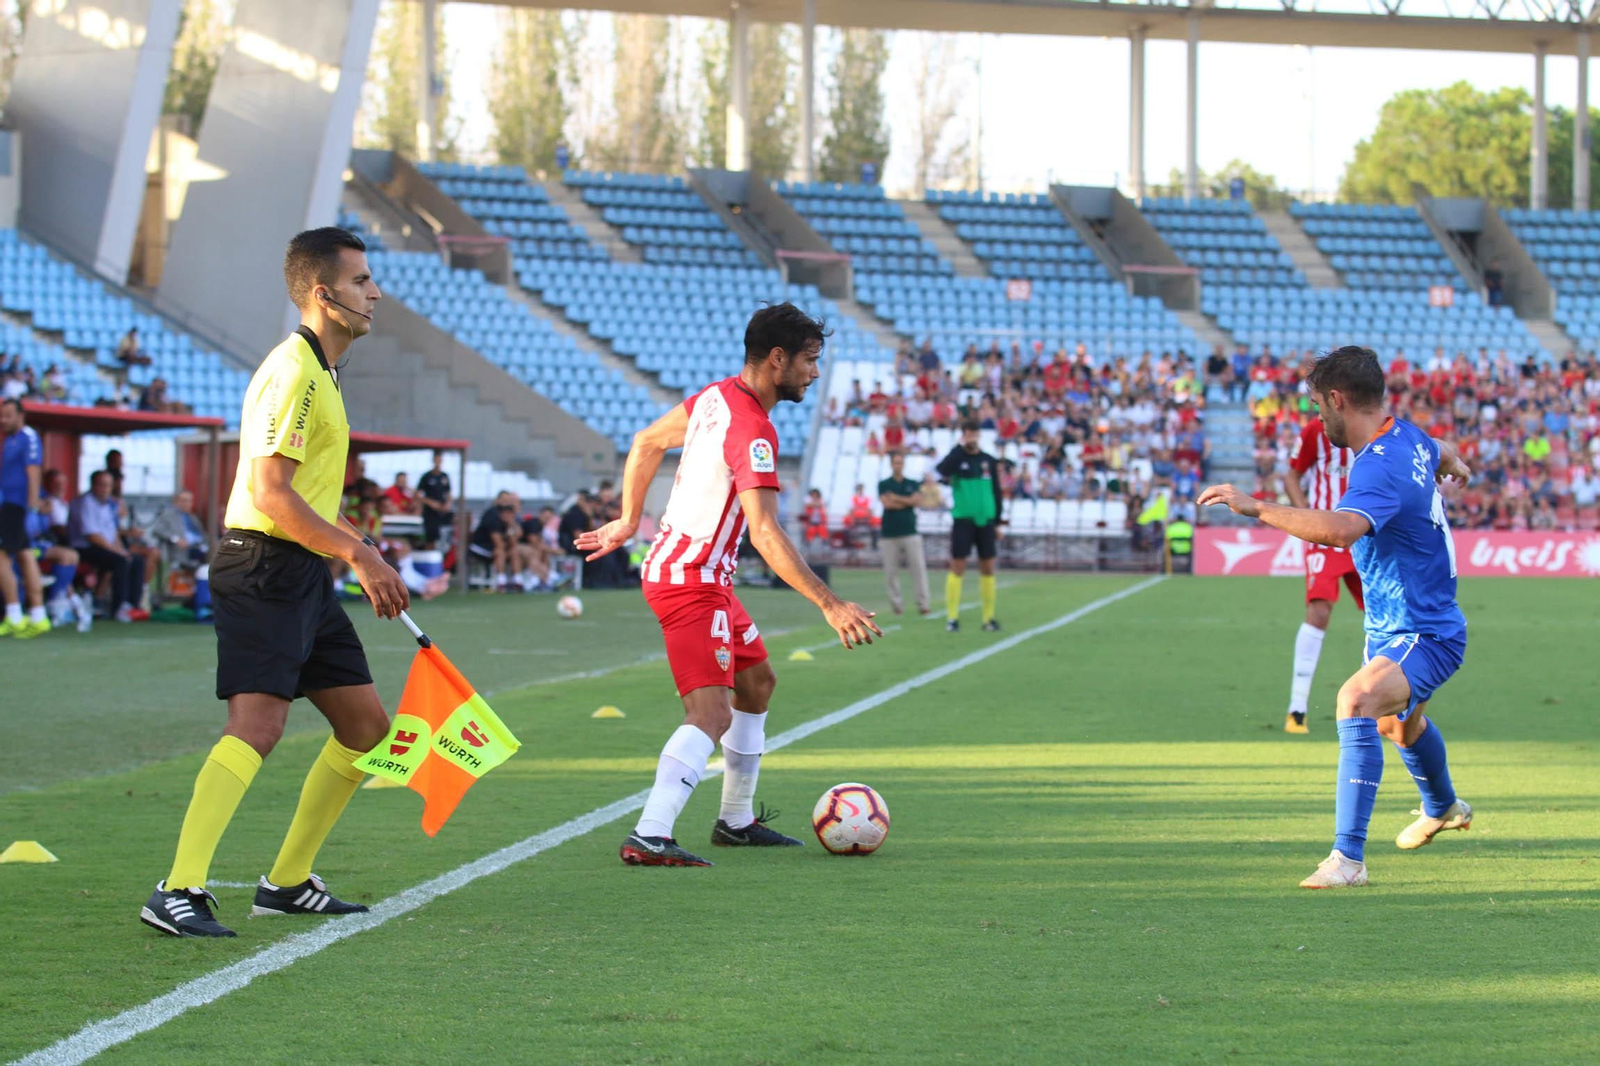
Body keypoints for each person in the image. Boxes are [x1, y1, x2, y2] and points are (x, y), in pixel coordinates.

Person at [138, 226, 409, 938]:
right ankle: (178, 888)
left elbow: (309, 496)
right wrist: (359, 557)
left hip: (302, 571)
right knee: (257, 727)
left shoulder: (324, 372)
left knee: (366, 729)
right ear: (322, 294)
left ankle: (287, 883)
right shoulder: (293, 372)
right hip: (261, 565)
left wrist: (359, 545)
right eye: (360, 281)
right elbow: (271, 494)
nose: (375, 293)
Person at [577, 303, 881, 868]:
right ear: (777, 359)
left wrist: (628, 519)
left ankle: (735, 821)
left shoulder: (714, 398)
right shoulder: (753, 430)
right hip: (690, 581)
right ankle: (650, 833)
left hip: (702, 577)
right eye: (809, 360)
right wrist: (830, 603)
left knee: (757, 683)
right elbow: (763, 531)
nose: (815, 372)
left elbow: (645, 441)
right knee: (711, 714)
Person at [1200, 346, 1473, 890]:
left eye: (1316, 406)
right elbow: (1438, 448)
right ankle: (1443, 807)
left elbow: (1343, 530)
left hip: (1426, 630)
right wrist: (1455, 462)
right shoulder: (1406, 436)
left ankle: (1348, 859)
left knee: (1357, 700)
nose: (1317, 418)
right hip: (1393, 626)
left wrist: (1257, 507)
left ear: (1336, 399)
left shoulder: (1379, 462)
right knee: (1399, 726)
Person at [1280, 408, 1363, 734]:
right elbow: (1291, 476)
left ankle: (1382, 703)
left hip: (1366, 535)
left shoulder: (1376, 425)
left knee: (1383, 614)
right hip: (1325, 535)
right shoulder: (1317, 429)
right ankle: (1297, 708)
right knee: (1319, 611)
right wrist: (1306, 517)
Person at [936, 419, 1005, 633]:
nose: (972, 437)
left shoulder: (988, 461)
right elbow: (942, 470)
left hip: (986, 521)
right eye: (968, 433)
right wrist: (959, 447)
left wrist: (998, 521)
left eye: (974, 433)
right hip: (963, 520)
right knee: (958, 565)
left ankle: (988, 618)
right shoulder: (957, 458)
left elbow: (996, 491)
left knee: (988, 567)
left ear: (979, 435)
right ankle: (952, 618)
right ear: (963, 435)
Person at [69, 470, 148, 622]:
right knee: (121, 561)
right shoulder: (85, 503)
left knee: (135, 559)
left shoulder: (108, 504)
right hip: (85, 548)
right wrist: (118, 552)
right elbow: (92, 536)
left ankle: (133, 605)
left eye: (109, 486)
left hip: (105, 547)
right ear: (93, 485)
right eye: (102, 485)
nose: (106, 489)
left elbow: (113, 533)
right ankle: (118, 608)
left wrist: (122, 550)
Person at [0, 398, 49, 637]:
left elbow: (33, 472)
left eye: (8, 415)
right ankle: (38, 615)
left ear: (20, 415)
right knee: (26, 556)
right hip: (10, 506)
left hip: (16, 507)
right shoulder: (9, 440)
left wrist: (31, 509)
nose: (3, 420)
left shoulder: (28, 437)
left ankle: (14, 615)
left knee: (3, 558)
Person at [878, 451, 929, 616]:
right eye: (895, 462)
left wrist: (897, 498)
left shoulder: (912, 483)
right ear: (891, 464)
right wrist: (907, 501)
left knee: (918, 569)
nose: (898, 465)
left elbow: (917, 501)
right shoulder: (884, 484)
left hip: (910, 531)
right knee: (891, 572)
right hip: (889, 534)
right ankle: (896, 605)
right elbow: (888, 504)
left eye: (900, 462)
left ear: (903, 464)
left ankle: (923, 603)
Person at [470, 492, 520, 592]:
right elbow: (497, 542)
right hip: (481, 547)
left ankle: (518, 581)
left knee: (514, 551)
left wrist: (511, 525)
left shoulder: (509, 515)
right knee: (500, 551)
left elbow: (516, 538)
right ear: (497, 500)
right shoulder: (492, 514)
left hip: (495, 547)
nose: (506, 502)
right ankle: (501, 582)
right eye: (504, 499)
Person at [416, 450, 454, 547]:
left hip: (442, 510)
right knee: (431, 537)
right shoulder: (426, 476)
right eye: (436, 460)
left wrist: (448, 504)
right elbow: (417, 494)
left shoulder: (444, 476)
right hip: (430, 512)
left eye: (440, 460)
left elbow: (448, 493)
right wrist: (430, 503)